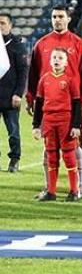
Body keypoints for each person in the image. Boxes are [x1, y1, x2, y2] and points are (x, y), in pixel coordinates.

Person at [27, 5, 82, 199]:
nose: (57, 20)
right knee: (50, 150)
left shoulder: (79, 44)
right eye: (54, 16)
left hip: (73, 104)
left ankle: (81, 186)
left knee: (77, 148)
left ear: (68, 19)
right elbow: (34, 75)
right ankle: (50, 188)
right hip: (49, 107)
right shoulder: (41, 44)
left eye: (61, 16)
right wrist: (31, 99)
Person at [31, 48, 82, 201]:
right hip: (49, 121)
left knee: (69, 156)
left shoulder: (70, 79)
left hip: (65, 121)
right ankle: (51, 192)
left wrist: (76, 125)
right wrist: (36, 125)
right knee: (51, 156)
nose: (56, 60)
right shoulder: (44, 79)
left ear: (66, 62)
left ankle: (74, 191)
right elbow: (39, 103)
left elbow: (77, 103)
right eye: (54, 57)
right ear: (50, 60)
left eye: (60, 58)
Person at [0, 14, 27, 172]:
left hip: (10, 96)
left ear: (10, 26)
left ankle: (14, 159)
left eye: (3, 23)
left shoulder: (17, 45)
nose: (0, 26)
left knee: (13, 132)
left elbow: (23, 72)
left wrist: (18, 94)